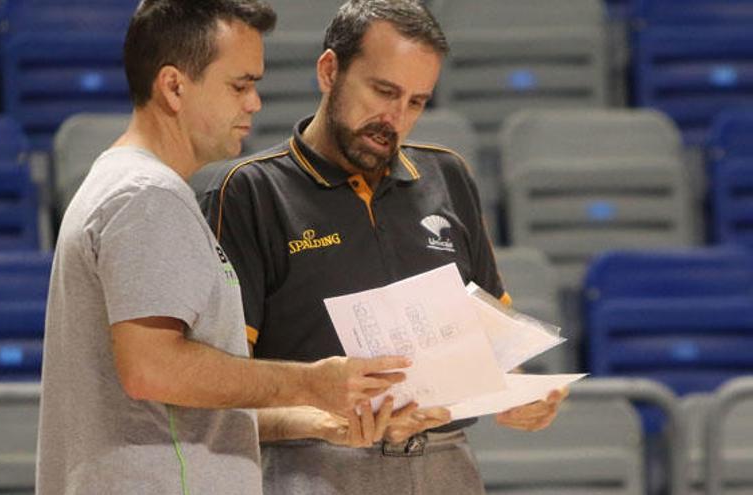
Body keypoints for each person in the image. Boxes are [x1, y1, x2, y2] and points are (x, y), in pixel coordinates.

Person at [35, 1, 411, 494]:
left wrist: (313, 418)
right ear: (174, 87)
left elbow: (182, 408)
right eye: (240, 84)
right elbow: (154, 370)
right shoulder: (147, 196)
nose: (254, 103)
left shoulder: (128, 185)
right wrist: (312, 382)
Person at [200, 1, 568, 493]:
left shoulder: (448, 175)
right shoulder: (249, 193)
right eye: (383, 91)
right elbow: (214, 396)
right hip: (309, 468)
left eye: (416, 102)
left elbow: (494, 345)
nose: (394, 118)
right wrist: (323, 421)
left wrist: (522, 392)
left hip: (446, 464)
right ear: (329, 70)